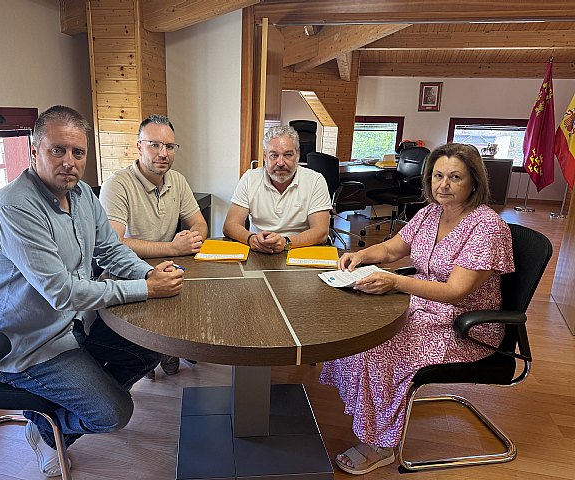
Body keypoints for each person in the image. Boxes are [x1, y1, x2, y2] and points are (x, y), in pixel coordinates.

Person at [0, 105, 184, 477]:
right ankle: (44, 429)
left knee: (151, 346)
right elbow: (62, 292)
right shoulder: (14, 208)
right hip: (27, 346)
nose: (69, 162)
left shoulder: (84, 194)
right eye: (58, 150)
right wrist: (145, 288)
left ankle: (63, 407)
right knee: (114, 413)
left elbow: (111, 250)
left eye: (78, 152)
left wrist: (150, 273)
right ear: (34, 151)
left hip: (76, 325)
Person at [320, 143, 514, 475]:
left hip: (464, 326)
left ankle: (380, 444)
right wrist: (360, 256)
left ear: (474, 182)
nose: (444, 185)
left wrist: (395, 282)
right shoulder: (429, 213)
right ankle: (370, 412)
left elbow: (455, 292)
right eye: (438, 176)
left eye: (455, 177)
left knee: (379, 348)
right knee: (356, 326)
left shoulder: (487, 227)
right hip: (421, 304)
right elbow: (392, 249)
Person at [99, 114, 207, 376]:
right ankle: (160, 349)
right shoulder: (117, 185)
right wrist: (173, 248)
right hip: (129, 271)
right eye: (154, 145)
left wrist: (193, 237)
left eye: (169, 146)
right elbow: (114, 244)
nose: (163, 153)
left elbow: (199, 223)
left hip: (170, 263)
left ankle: (172, 345)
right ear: (139, 146)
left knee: (200, 296)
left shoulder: (177, 180)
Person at [222, 125, 331, 253]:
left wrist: (286, 243)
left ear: (297, 155)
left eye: (288, 155)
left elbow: (321, 232)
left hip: (300, 251)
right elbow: (230, 225)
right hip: (259, 250)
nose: (280, 163)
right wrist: (252, 239)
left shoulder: (315, 180)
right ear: (265, 156)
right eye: (274, 155)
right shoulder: (250, 179)